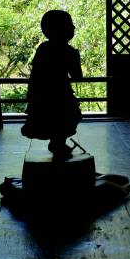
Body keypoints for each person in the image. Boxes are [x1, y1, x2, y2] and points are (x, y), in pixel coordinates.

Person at [21, 10, 84, 160]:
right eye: (70, 25)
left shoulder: (43, 48)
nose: (73, 28)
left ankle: (57, 143)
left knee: (52, 119)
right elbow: (77, 76)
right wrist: (75, 58)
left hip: (41, 93)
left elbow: (35, 74)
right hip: (61, 93)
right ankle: (58, 143)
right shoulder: (68, 52)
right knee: (66, 117)